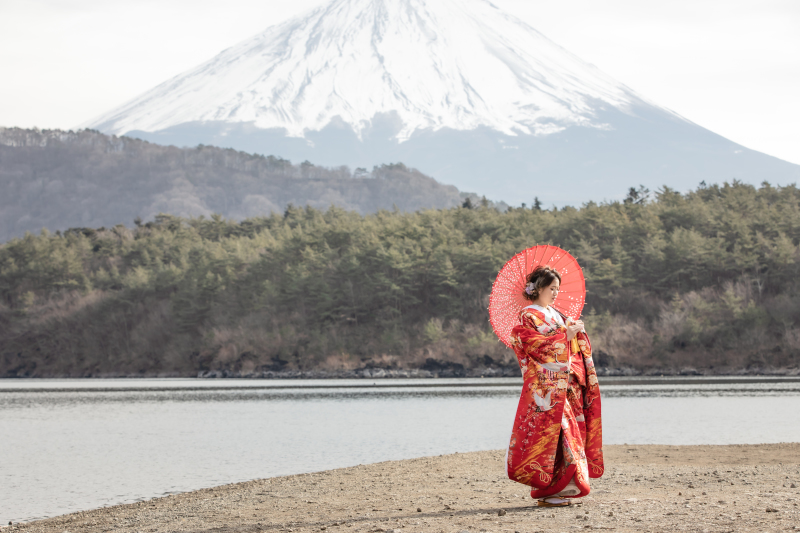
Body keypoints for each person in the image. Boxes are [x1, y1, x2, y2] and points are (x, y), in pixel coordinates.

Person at [505, 265, 603, 507]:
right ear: (538, 288)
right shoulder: (528, 315)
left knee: (567, 436)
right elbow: (533, 346)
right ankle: (549, 491)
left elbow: (570, 345)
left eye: (558, 288)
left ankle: (558, 488)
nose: (556, 292)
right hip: (547, 388)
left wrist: (577, 333)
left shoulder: (556, 314)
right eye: (552, 288)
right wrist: (565, 337)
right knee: (555, 437)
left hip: (565, 385)